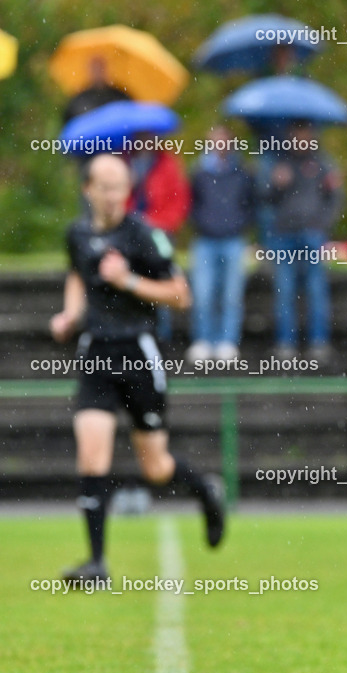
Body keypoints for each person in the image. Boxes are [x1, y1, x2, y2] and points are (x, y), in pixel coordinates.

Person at [50, 154, 226, 586]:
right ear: (88, 189)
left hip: (138, 354)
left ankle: (205, 490)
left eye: (120, 187)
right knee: (92, 454)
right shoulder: (77, 233)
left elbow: (181, 295)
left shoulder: (146, 235)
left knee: (156, 467)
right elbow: (77, 274)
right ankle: (97, 564)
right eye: (105, 187)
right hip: (95, 352)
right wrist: (70, 314)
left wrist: (126, 280)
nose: (113, 195)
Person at [261, 121, 343, 360]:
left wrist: (322, 225)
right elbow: (264, 198)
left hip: (312, 235)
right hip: (283, 235)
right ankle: (286, 343)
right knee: (284, 290)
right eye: (296, 134)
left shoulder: (323, 163)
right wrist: (276, 184)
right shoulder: (279, 163)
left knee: (316, 290)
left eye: (304, 133)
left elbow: (335, 198)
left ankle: (318, 342)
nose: (300, 139)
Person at [186, 125, 255, 363]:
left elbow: (250, 203)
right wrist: (202, 223)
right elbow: (191, 203)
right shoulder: (199, 172)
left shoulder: (242, 172)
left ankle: (227, 341)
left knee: (231, 295)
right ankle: (203, 340)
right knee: (202, 294)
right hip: (205, 240)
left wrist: (238, 224)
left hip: (233, 240)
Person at [128, 132, 192, 342]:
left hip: (159, 233)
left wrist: (162, 224)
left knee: (164, 280)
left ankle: (161, 336)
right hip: (131, 233)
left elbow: (179, 200)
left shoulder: (167, 163)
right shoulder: (125, 162)